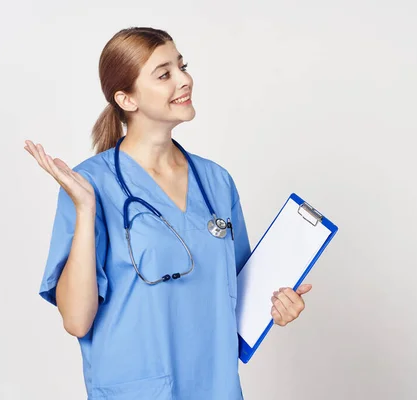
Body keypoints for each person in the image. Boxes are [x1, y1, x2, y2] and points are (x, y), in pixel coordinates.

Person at [24, 27, 313, 400]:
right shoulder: (89, 184)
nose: (185, 79)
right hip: (137, 389)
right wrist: (85, 209)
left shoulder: (215, 181)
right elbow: (77, 321)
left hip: (215, 387)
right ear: (126, 98)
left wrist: (278, 307)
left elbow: (238, 293)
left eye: (182, 66)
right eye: (165, 74)